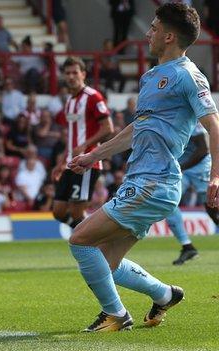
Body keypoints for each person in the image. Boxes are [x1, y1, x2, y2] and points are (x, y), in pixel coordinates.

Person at [67, 3, 218, 332]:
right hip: (142, 180)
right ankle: (164, 294)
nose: (147, 34)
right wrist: (94, 155)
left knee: (79, 240)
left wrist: (216, 175)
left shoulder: (188, 75)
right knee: (106, 262)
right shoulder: (152, 76)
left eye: (152, 28)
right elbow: (137, 129)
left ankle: (117, 315)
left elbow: (214, 125)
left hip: (155, 182)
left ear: (168, 36)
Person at [52, 57, 114, 230]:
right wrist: (61, 161)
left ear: (83, 74)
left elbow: (108, 127)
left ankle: (90, 241)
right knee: (58, 210)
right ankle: (88, 235)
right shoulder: (69, 102)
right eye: (67, 73)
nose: (71, 76)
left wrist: (85, 145)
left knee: (77, 211)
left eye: (75, 72)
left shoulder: (93, 97)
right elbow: (72, 135)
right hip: (70, 163)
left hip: (88, 162)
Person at [165, 123, 218, 265]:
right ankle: (188, 247)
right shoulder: (165, 117)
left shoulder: (190, 119)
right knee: (168, 202)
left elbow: (203, 150)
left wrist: (180, 167)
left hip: (199, 167)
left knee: (211, 206)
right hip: (180, 169)